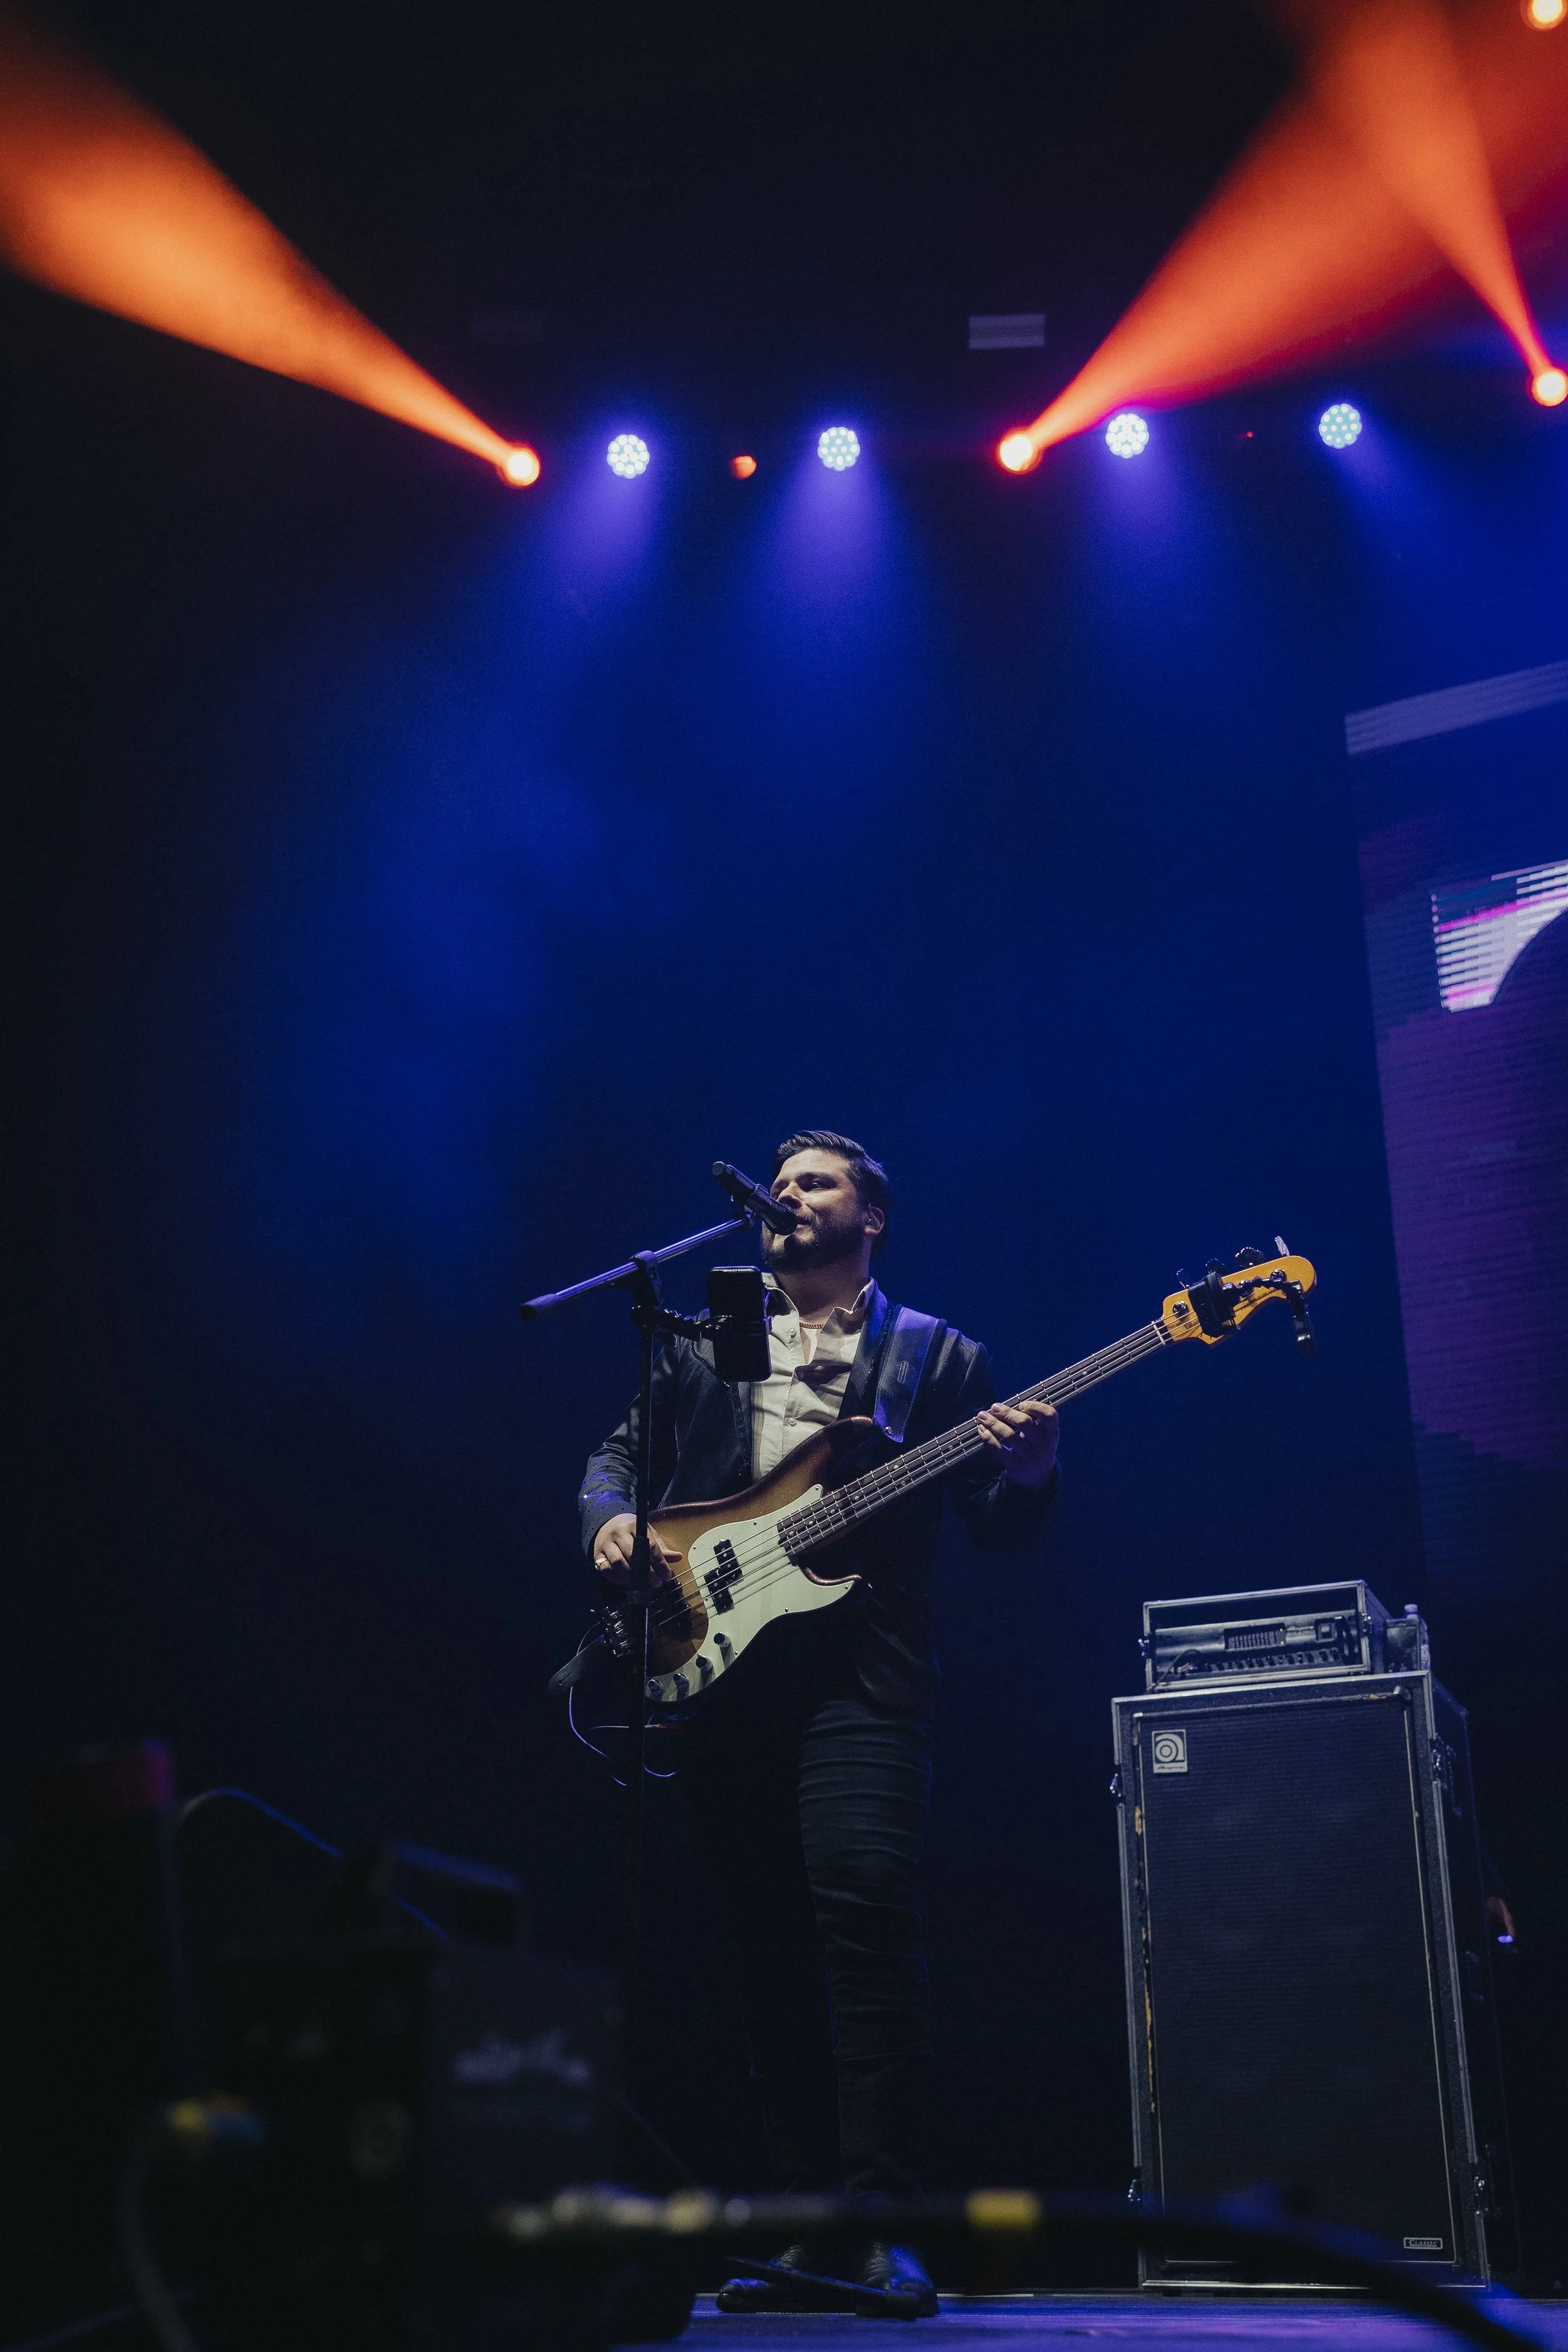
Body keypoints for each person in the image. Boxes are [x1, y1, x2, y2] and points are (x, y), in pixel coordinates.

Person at [579, 1131, 1059, 2317]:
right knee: (765, 1945)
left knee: (862, 1905)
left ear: (872, 1217)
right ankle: (807, 2226)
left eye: (818, 1181)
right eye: (780, 1182)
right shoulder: (705, 1338)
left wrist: (1035, 1469)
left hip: (863, 1673)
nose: (789, 1194)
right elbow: (618, 1457)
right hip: (721, 1663)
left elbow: (997, 1525)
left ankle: (886, 2220)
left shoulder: (938, 1355)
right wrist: (608, 1523)